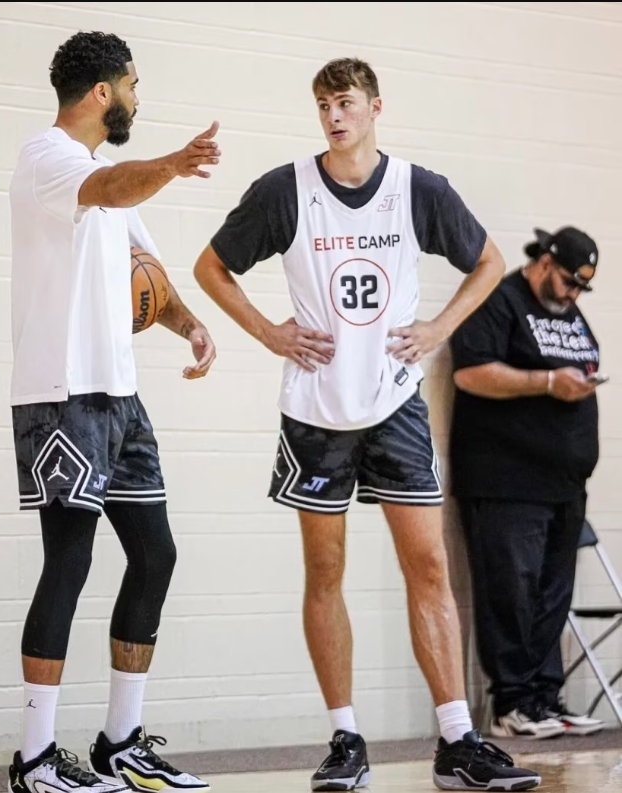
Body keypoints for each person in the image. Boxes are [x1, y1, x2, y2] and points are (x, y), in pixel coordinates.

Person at [194, 57, 541, 792]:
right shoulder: (285, 189)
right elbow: (210, 268)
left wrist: (439, 328)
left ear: (376, 107)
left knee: (428, 566)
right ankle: (346, 738)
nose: (334, 116)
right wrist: (268, 332)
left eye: (345, 102)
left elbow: (488, 262)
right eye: (323, 105)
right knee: (325, 571)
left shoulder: (418, 189)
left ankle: (458, 740)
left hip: (395, 403)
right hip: (316, 410)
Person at [8, 31, 220, 793]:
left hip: (120, 397)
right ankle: (35, 759)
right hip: (61, 394)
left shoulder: (106, 177)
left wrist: (189, 323)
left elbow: (146, 275)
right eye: (132, 84)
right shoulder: (50, 159)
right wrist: (174, 163)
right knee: (69, 561)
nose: (137, 96)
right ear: (103, 91)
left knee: (155, 555)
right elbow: (114, 189)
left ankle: (120, 743)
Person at [449, 226, 605, 740]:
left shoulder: (567, 312)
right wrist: (547, 382)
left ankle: (544, 698)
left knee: (552, 595)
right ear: (544, 262)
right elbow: (470, 373)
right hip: (505, 480)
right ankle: (512, 703)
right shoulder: (500, 300)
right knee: (510, 592)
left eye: (581, 287)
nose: (573, 293)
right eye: (568, 281)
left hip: (564, 482)